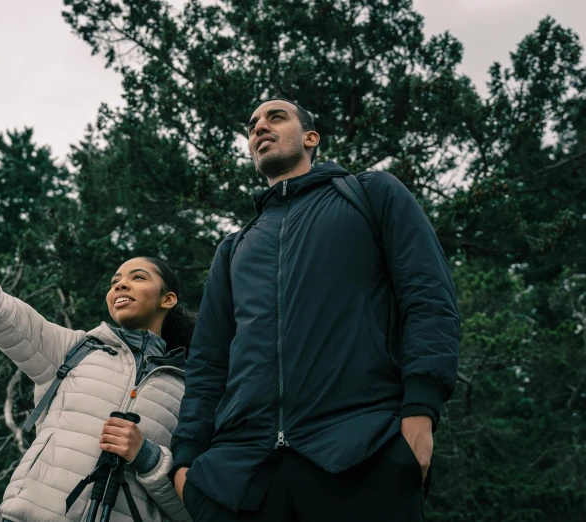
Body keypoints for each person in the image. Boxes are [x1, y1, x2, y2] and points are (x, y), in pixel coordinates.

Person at [169, 99, 460, 522]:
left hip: (362, 453)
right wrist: (187, 462)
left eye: (276, 117)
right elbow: (208, 363)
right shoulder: (234, 249)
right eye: (252, 125)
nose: (260, 127)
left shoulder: (370, 195)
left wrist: (420, 412)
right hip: (243, 476)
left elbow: (428, 297)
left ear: (310, 138)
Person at [0, 135, 193, 522]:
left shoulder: (193, 388)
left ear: (168, 299)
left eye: (137, 277)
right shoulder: (73, 350)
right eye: (115, 280)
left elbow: (195, 510)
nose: (119, 284)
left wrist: (149, 459)